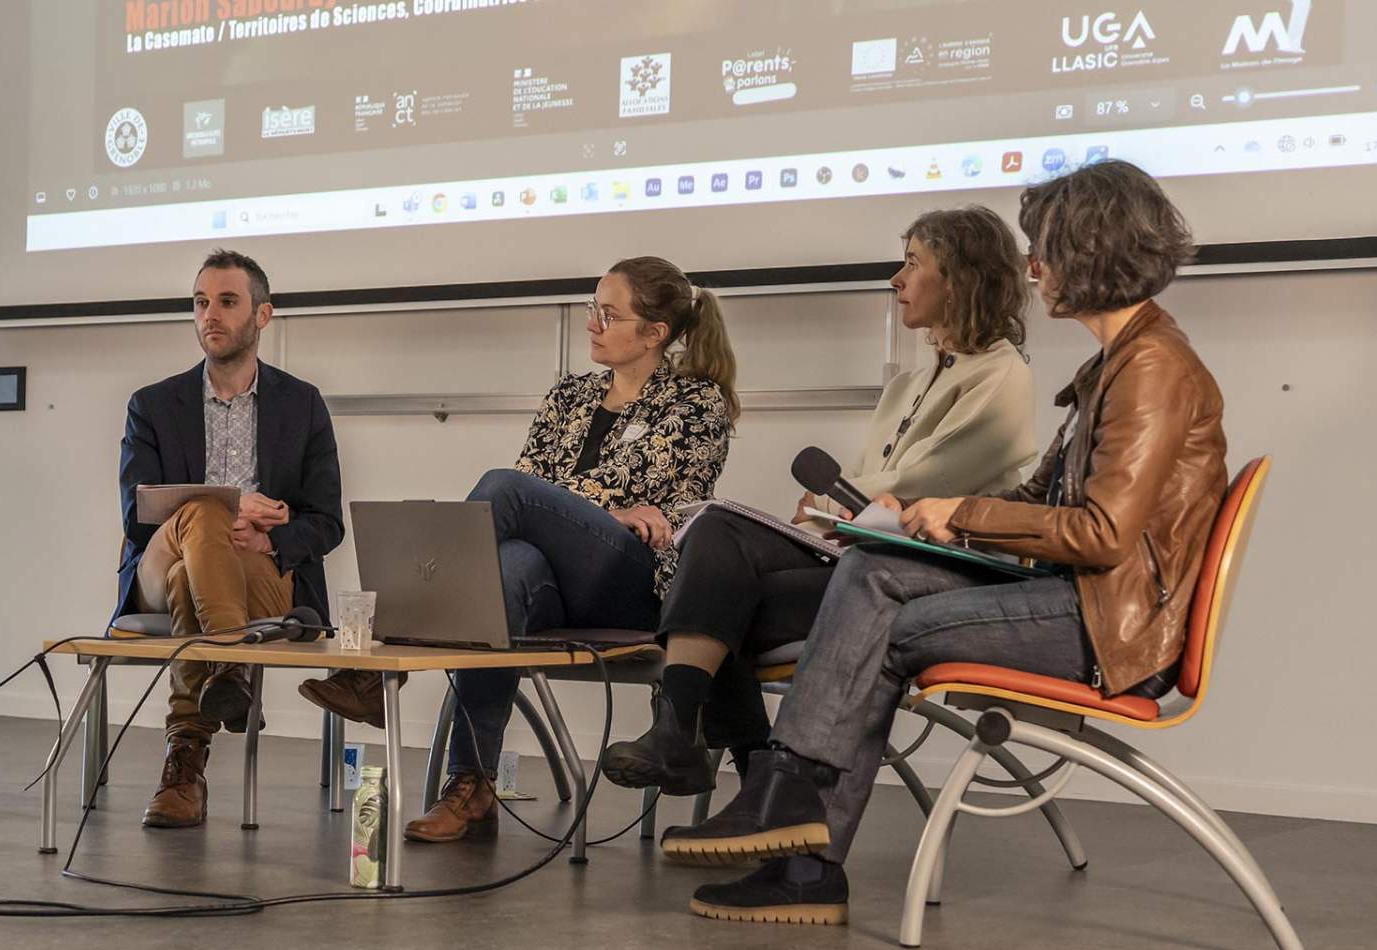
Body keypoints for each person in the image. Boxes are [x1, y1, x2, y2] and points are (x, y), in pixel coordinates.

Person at [664, 160, 1225, 925]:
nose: (1033, 268)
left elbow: (1101, 531)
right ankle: (790, 818)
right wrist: (943, 511)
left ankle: (798, 842)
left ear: (1094, 250)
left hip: (1109, 627)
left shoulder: (1151, 369)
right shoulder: (1120, 362)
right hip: (1088, 602)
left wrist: (967, 513)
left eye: (1047, 249)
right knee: (872, 568)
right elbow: (1047, 502)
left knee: (880, 619)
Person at [597, 206, 1038, 796]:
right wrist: (828, 511)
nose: (896, 280)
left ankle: (724, 759)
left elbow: (919, 484)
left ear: (960, 277)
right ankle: (718, 759)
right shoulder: (910, 381)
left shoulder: (1002, 375)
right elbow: (870, 486)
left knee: (717, 576)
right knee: (716, 537)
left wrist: (838, 507)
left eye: (912, 265)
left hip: (925, 575)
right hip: (864, 555)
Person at [298, 256, 738, 843]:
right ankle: (471, 783)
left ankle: (387, 659)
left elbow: (659, 518)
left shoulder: (695, 403)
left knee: (502, 488)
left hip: (633, 586)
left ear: (655, 333)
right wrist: (601, 508)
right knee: (505, 568)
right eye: (592, 310)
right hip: (551, 582)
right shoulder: (569, 396)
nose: (592, 324)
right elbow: (541, 495)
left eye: (609, 314)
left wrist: (584, 510)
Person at [117, 249, 344, 830]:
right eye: (199, 303)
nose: (209, 315)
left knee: (191, 575)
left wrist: (271, 541)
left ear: (263, 315)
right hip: (158, 568)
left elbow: (326, 521)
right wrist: (228, 505)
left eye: (226, 301)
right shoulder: (152, 404)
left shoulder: (302, 403)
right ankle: (231, 666)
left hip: (257, 576)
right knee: (201, 516)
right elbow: (137, 516)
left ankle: (185, 762)